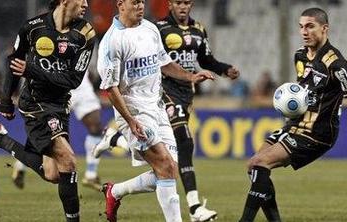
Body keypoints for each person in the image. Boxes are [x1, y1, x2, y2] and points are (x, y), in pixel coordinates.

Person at [93, 1, 240, 221]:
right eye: (135, 2)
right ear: (121, 5)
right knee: (165, 166)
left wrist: (191, 76)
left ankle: (114, 191)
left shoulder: (150, 29)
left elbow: (164, 63)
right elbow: (110, 89)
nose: (141, 6)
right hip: (135, 112)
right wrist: (131, 121)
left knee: (169, 169)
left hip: (158, 107)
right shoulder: (113, 41)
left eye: (142, 1)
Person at [239, 8, 347, 222]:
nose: (304, 31)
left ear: (324, 29)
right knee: (253, 166)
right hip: (295, 125)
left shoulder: (336, 64)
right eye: (301, 26)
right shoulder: (300, 55)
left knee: (259, 163)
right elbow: (306, 91)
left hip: (317, 134)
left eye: (310, 26)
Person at [0, 0, 95, 221]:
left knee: (53, 173)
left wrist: (32, 69)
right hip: (35, 103)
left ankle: (1, 140)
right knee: (69, 160)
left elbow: (73, 80)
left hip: (60, 104)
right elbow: (15, 62)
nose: (85, 4)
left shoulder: (85, 33)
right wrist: (6, 100)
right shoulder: (32, 27)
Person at [11, 70, 104, 191]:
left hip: (79, 82)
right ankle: (21, 163)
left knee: (95, 125)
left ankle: (91, 174)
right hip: (54, 84)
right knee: (47, 133)